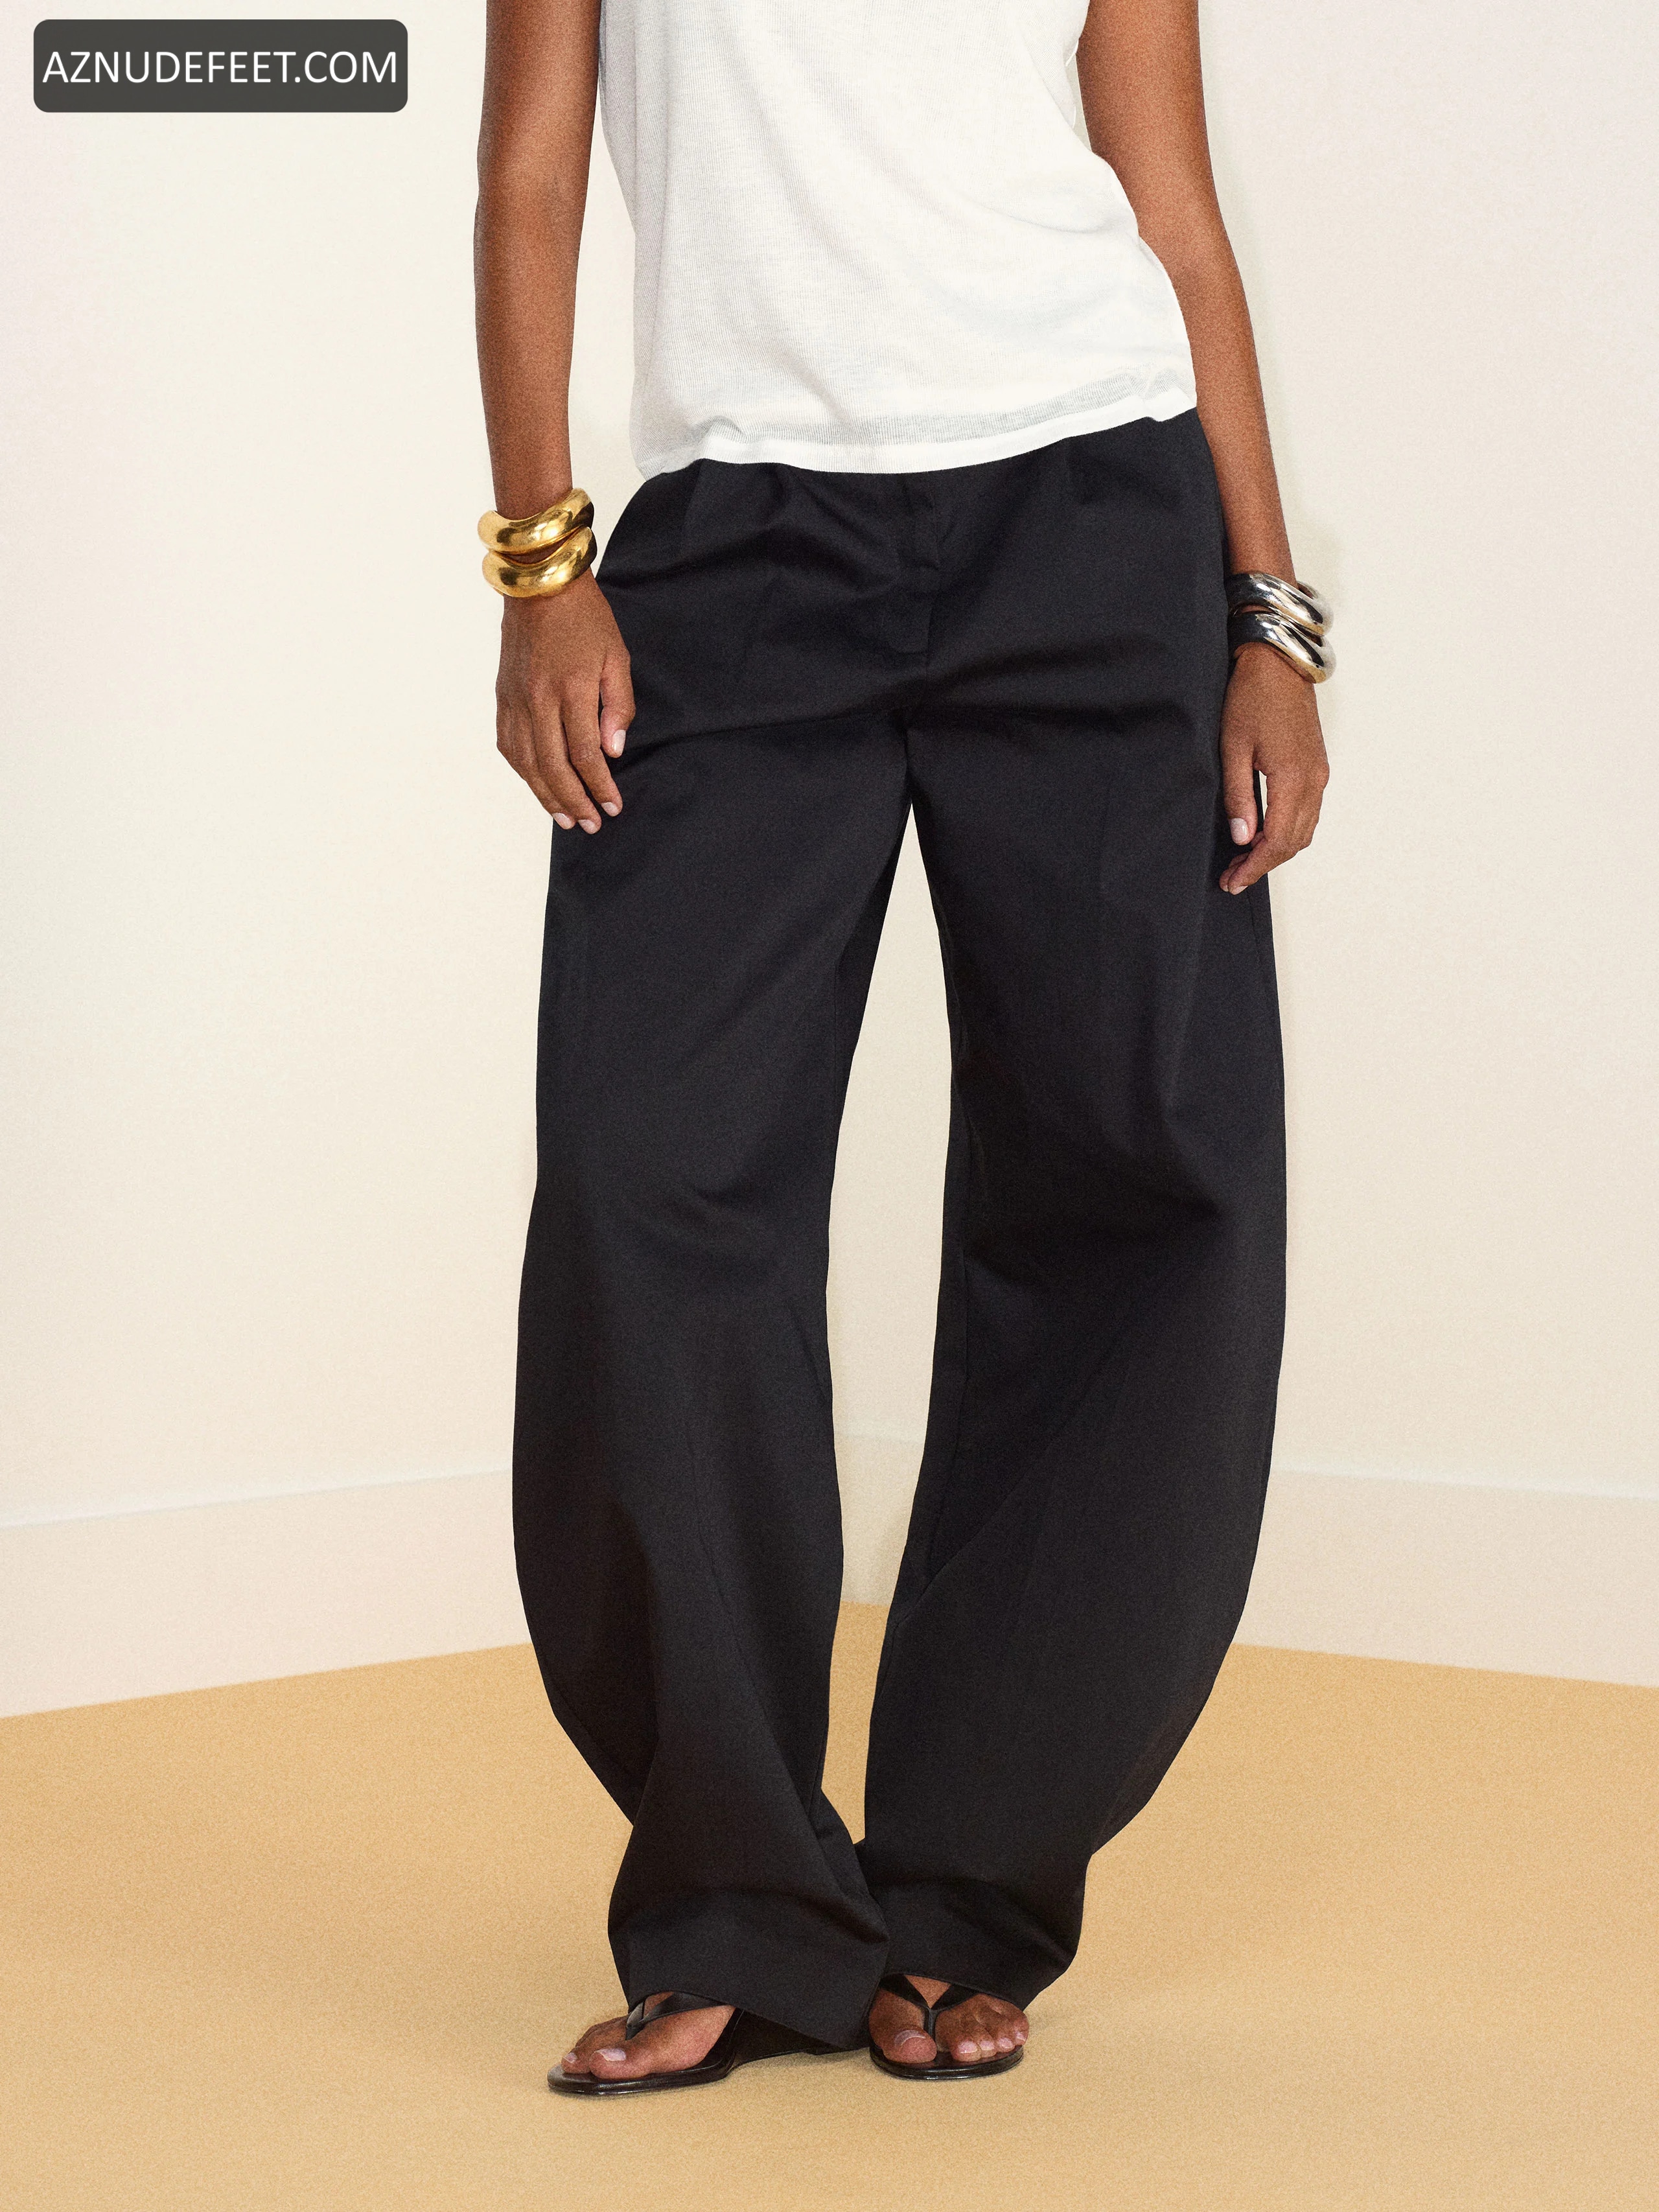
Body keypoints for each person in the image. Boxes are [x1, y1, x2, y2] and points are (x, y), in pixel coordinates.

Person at [474, 0, 1330, 2095]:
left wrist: (1270, 615)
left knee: (1134, 1178)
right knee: (649, 1173)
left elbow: (1172, 205)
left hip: (1098, 518)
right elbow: (527, 174)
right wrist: (541, 564)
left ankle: (966, 1889)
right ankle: (738, 1897)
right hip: (737, 545)